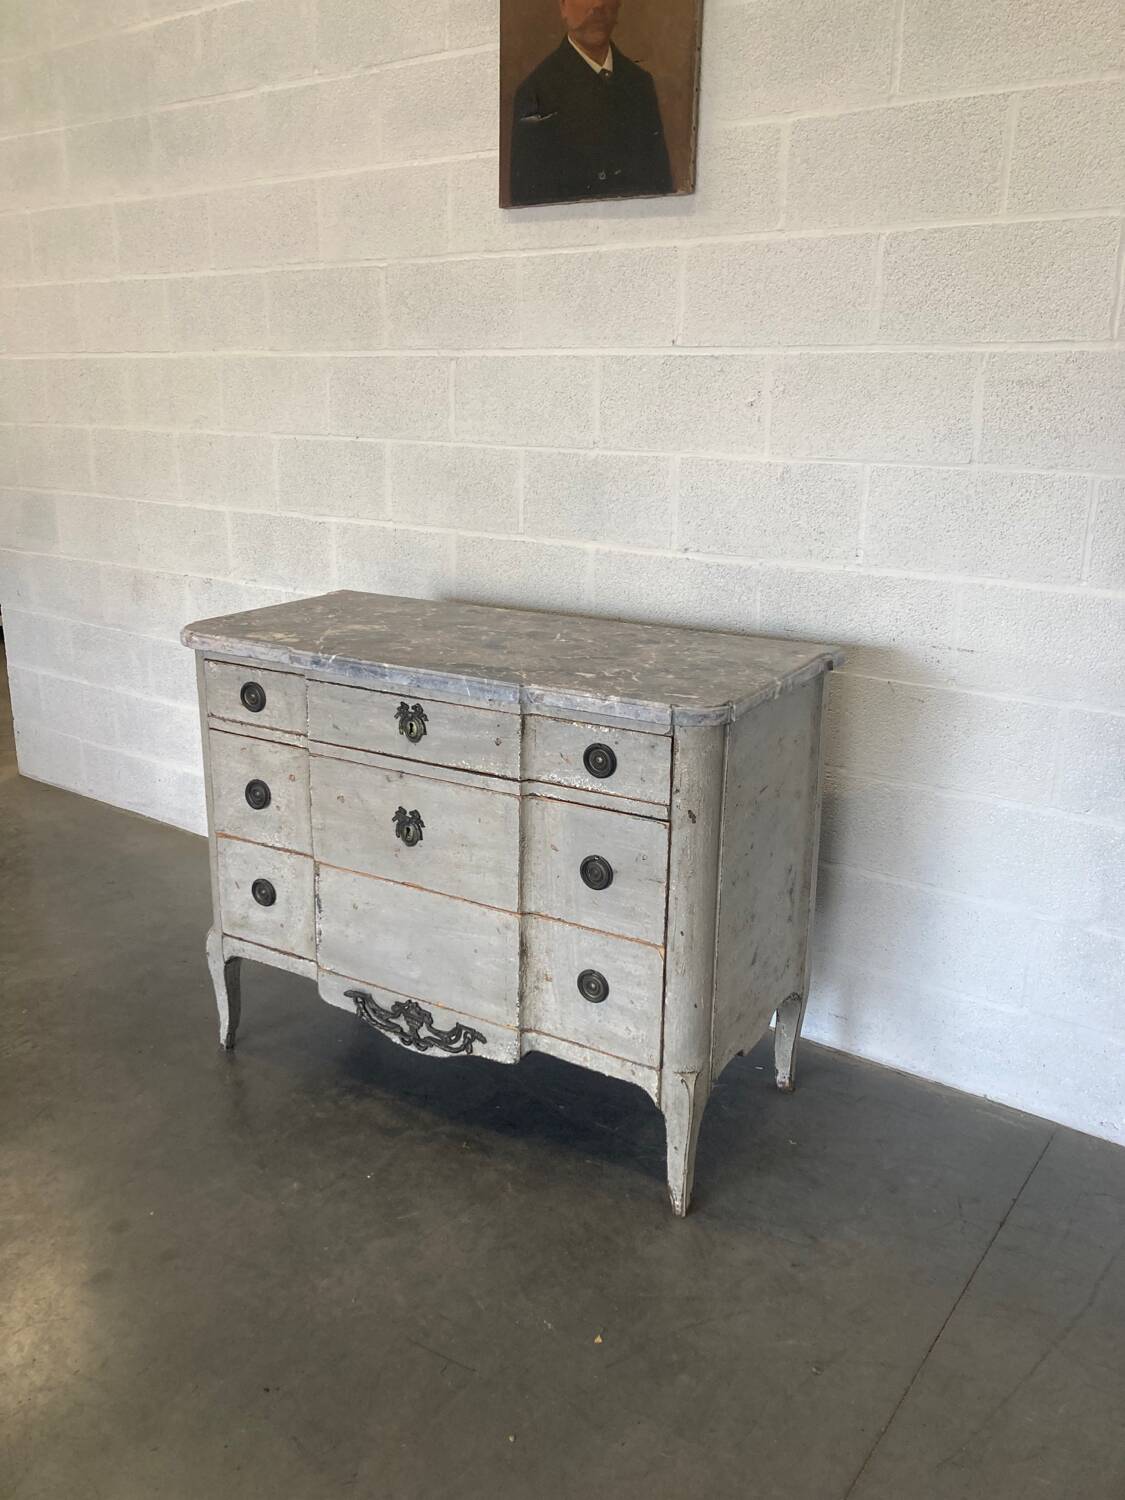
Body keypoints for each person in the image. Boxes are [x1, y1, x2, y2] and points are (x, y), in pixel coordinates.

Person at [509, 0, 673, 207]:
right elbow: (528, 202)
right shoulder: (535, 92)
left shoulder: (640, 83)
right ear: (563, 7)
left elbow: (661, 185)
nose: (598, 5)